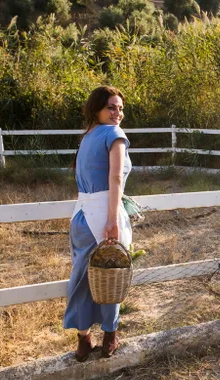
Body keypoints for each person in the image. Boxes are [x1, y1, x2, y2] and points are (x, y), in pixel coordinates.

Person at [63, 86, 133, 362]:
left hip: (81, 216)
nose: (118, 113)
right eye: (111, 107)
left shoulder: (87, 137)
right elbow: (115, 179)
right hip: (104, 215)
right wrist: (112, 219)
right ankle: (109, 337)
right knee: (110, 275)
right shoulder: (114, 134)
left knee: (82, 278)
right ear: (96, 109)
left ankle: (83, 340)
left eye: (120, 108)